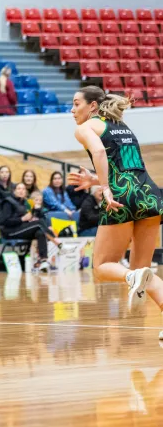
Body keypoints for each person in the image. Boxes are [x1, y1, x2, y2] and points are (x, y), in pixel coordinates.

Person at [69, 86, 163, 321]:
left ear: (92, 106)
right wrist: (95, 179)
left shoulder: (85, 128)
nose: (72, 109)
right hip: (149, 194)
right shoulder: (121, 126)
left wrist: (104, 188)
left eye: (76, 104)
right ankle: (135, 278)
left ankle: (130, 277)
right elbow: (127, 166)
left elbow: (100, 152)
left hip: (122, 197)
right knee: (143, 273)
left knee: (102, 266)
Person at [0, 182, 56, 272]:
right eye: (19, 189)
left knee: (40, 232)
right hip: (9, 231)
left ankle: (43, 260)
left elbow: (34, 216)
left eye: (23, 189)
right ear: (14, 191)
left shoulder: (25, 203)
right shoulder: (8, 202)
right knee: (39, 223)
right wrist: (22, 219)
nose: (21, 191)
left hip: (21, 228)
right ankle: (57, 241)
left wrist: (37, 211)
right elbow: (4, 221)